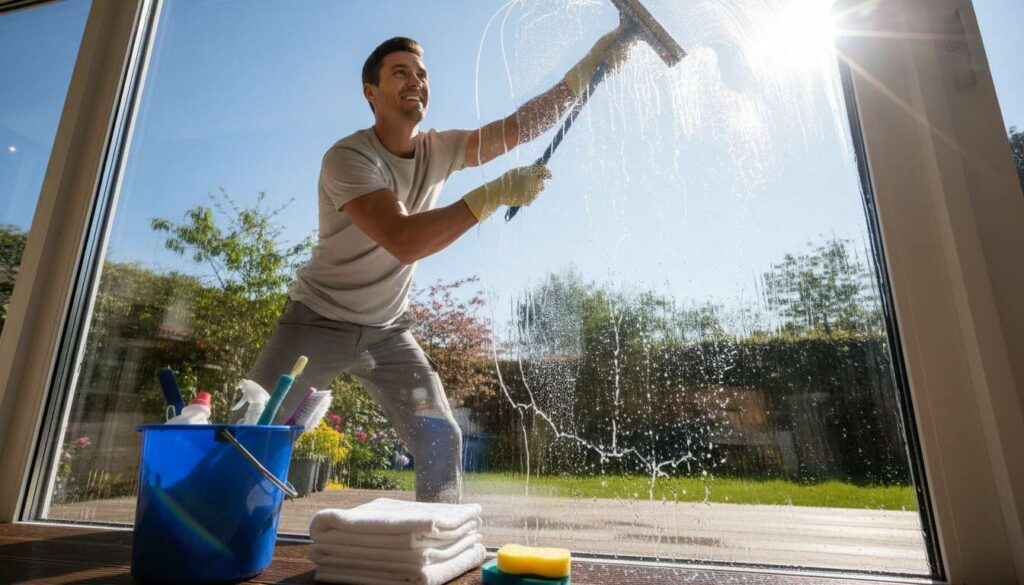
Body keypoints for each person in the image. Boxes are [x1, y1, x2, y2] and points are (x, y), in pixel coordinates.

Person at [232, 24, 637, 503]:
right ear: (371, 92)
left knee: (441, 435)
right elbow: (404, 240)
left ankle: (436, 545)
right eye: (400, 72)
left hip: (387, 332)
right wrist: (491, 194)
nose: (416, 81)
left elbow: (519, 127)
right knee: (248, 435)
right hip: (317, 320)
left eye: (422, 74)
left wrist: (584, 71)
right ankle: (217, 541)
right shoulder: (347, 158)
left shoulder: (439, 148)